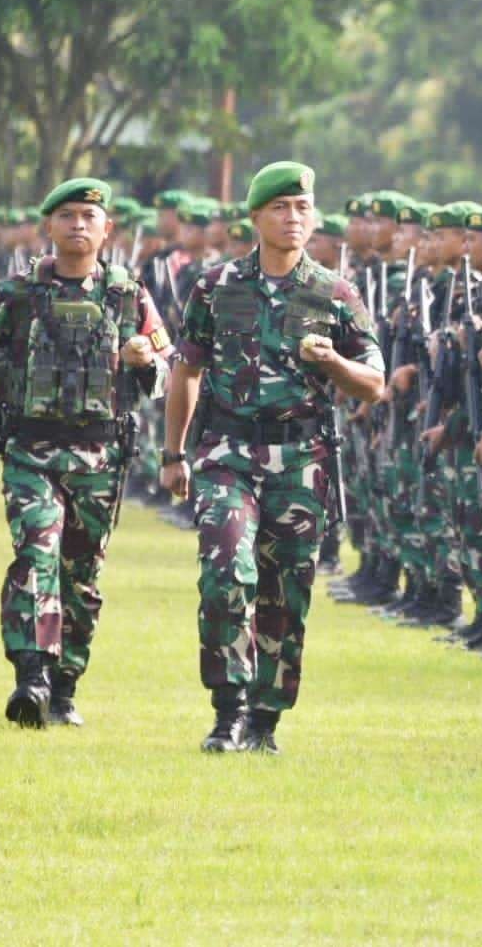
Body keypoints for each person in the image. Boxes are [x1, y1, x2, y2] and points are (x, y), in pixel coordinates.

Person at [160, 161, 384, 755]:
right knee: (226, 572)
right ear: (255, 217)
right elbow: (187, 368)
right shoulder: (216, 286)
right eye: (281, 208)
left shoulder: (336, 293)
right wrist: (173, 453)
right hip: (227, 450)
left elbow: (374, 382)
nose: (293, 218)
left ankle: (265, 717)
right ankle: (228, 710)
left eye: (303, 208)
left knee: (286, 591)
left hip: (300, 457)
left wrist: (334, 364)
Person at [0, 178, 172, 728]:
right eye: (66, 216)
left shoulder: (129, 295)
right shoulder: (17, 294)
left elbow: (166, 377)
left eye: (88, 217)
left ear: (106, 229)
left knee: (81, 574)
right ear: (47, 227)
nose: (78, 225)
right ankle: (31, 676)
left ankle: (65, 685)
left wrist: (144, 360)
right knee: (35, 556)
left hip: (100, 458)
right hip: (30, 452)